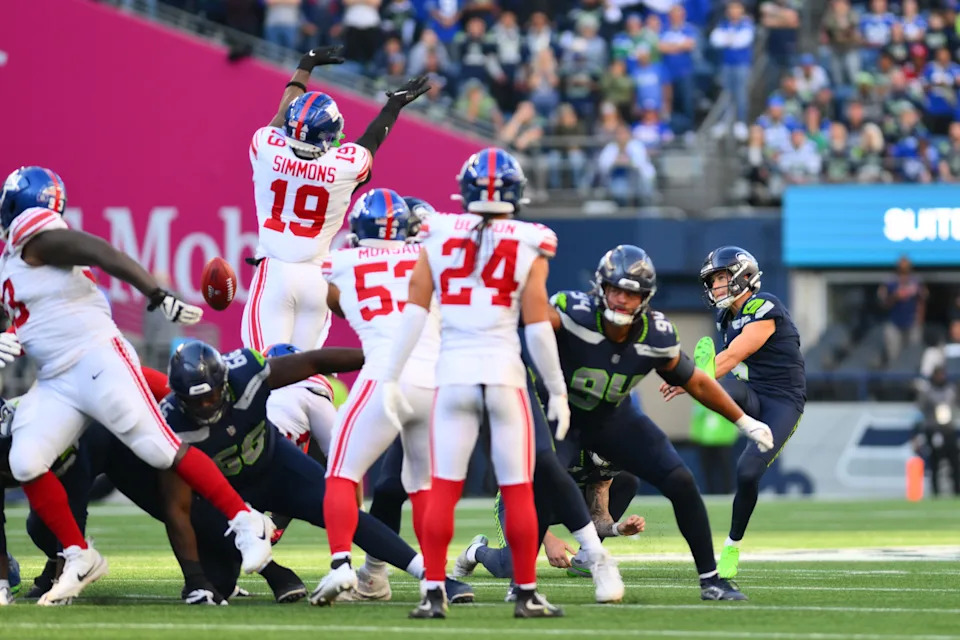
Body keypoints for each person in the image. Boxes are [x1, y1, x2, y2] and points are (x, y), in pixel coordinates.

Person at [0, 167, 275, 606]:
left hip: (95, 358)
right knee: (26, 458)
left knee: (159, 448)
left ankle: (245, 521)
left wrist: (155, 291)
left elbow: (95, 249)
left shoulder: (34, 233)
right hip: (55, 378)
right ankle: (79, 555)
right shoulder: (10, 261)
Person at [381, 147, 569, 618]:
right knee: (518, 489)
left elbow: (415, 312)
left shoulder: (436, 229)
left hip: (455, 375)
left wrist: (388, 374)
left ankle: (432, 592)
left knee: (442, 488)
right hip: (504, 375)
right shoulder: (531, 239)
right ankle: (525, 593)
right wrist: (557, 389)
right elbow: (537, 325)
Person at [539, 245, 775, 600]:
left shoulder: (655, 333)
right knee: (540, 486)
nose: (621, 300)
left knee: (679, 478)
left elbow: (695, 381)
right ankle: (523, 584)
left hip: (610, 416)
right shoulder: (570, 312)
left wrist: (742, 420)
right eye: (615, 290)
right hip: (561, 415)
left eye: (631, 294)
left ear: (645, 298)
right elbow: (524, 326)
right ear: (600, 289)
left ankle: (711, 579)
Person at [158, 341, 474, 604]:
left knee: (348, 515)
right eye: (194, 401)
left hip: (277, 465)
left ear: (224, 381)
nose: (205, 407)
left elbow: (314, 360)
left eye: (211, 396)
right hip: (228, 494)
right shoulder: (172, 422)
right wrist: (195, 579)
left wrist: (376, 359)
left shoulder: (246, 372)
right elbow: (177, 508)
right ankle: (275, 574)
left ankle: (433, 576)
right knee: (219, 582)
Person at [241, 45, 428, 351]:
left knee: (263, 368)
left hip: (274, 272)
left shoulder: (265, 147)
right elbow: (371, 140)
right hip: (317, 278)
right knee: (303, 371)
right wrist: (393, 106)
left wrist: (305, 66)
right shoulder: (345, 166)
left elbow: (282, 114)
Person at [313, 188, 439, 605]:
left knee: (341, 472)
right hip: (433, 384)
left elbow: (333, 295)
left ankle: (340, 567)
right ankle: (433, 581)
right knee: (422, 487)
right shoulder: (430, 256)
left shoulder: (342, 261)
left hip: (385, 376)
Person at [661, 246, 806, 579]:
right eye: (713, 281)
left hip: (783, 401)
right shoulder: (726, 316)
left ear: (742, 275)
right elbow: (728, 365)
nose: (716, 287)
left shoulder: (764, 305)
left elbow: (736, 353)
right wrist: (693, 379)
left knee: (747, 472)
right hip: (750, 393)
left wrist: (695, 376)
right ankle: (705, 380)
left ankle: (732, 545)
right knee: (727, 388)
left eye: (722, 278)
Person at [913, 365, 960, 496]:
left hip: (949, 430)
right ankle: (935, 492)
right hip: (933, 430)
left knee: (955, 463)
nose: (941, 377)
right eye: (939, 375)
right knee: (935, 463)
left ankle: (957, 491)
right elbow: (920, 410)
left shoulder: (951, 389)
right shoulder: (927, 391)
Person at [877, 256, 927, 363]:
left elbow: (922, 301)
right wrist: (896, 296)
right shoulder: (890, 282)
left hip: (912, 323)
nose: (904, 269)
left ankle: (913, 378)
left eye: (906, 267)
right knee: (894, 357)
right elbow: (883, 303)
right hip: (894, 323)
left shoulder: (916, 281)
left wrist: (920, 321)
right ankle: (896, 378)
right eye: (902, 267)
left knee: (913, 356)